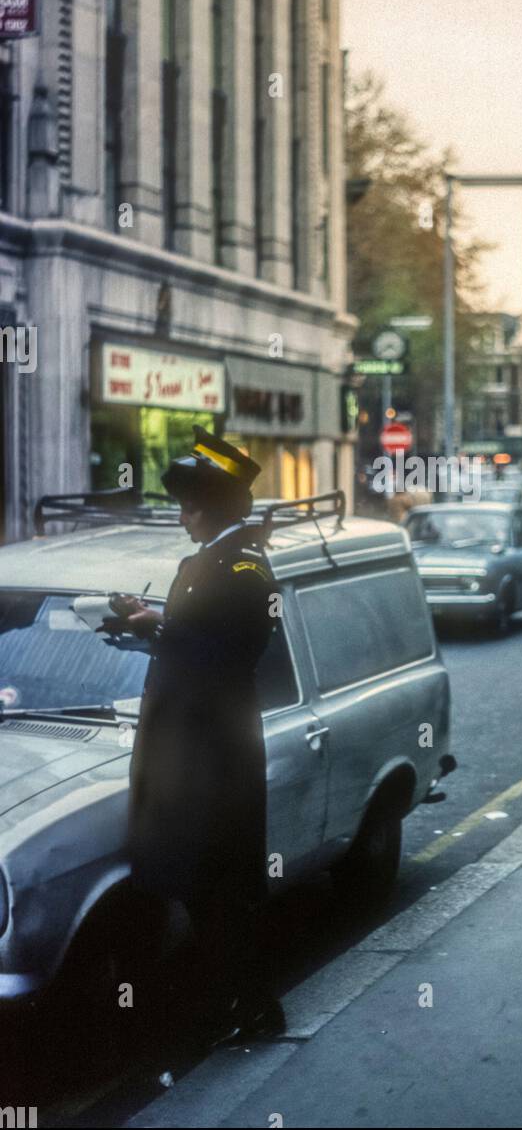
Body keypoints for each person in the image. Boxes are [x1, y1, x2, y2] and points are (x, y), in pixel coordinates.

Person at [105, 427, 284, 1046]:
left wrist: (162, 624)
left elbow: (231, 655)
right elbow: (200, 642)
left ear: (212, 508)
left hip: (215, 758)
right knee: (208, 888)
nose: (182, 519)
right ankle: (236, 1004)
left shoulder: (242, 567)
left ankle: (249, 1008)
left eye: (188, 507)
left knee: (222, 888)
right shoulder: (215, 562)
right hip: (198, 750)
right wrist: (153, 622)